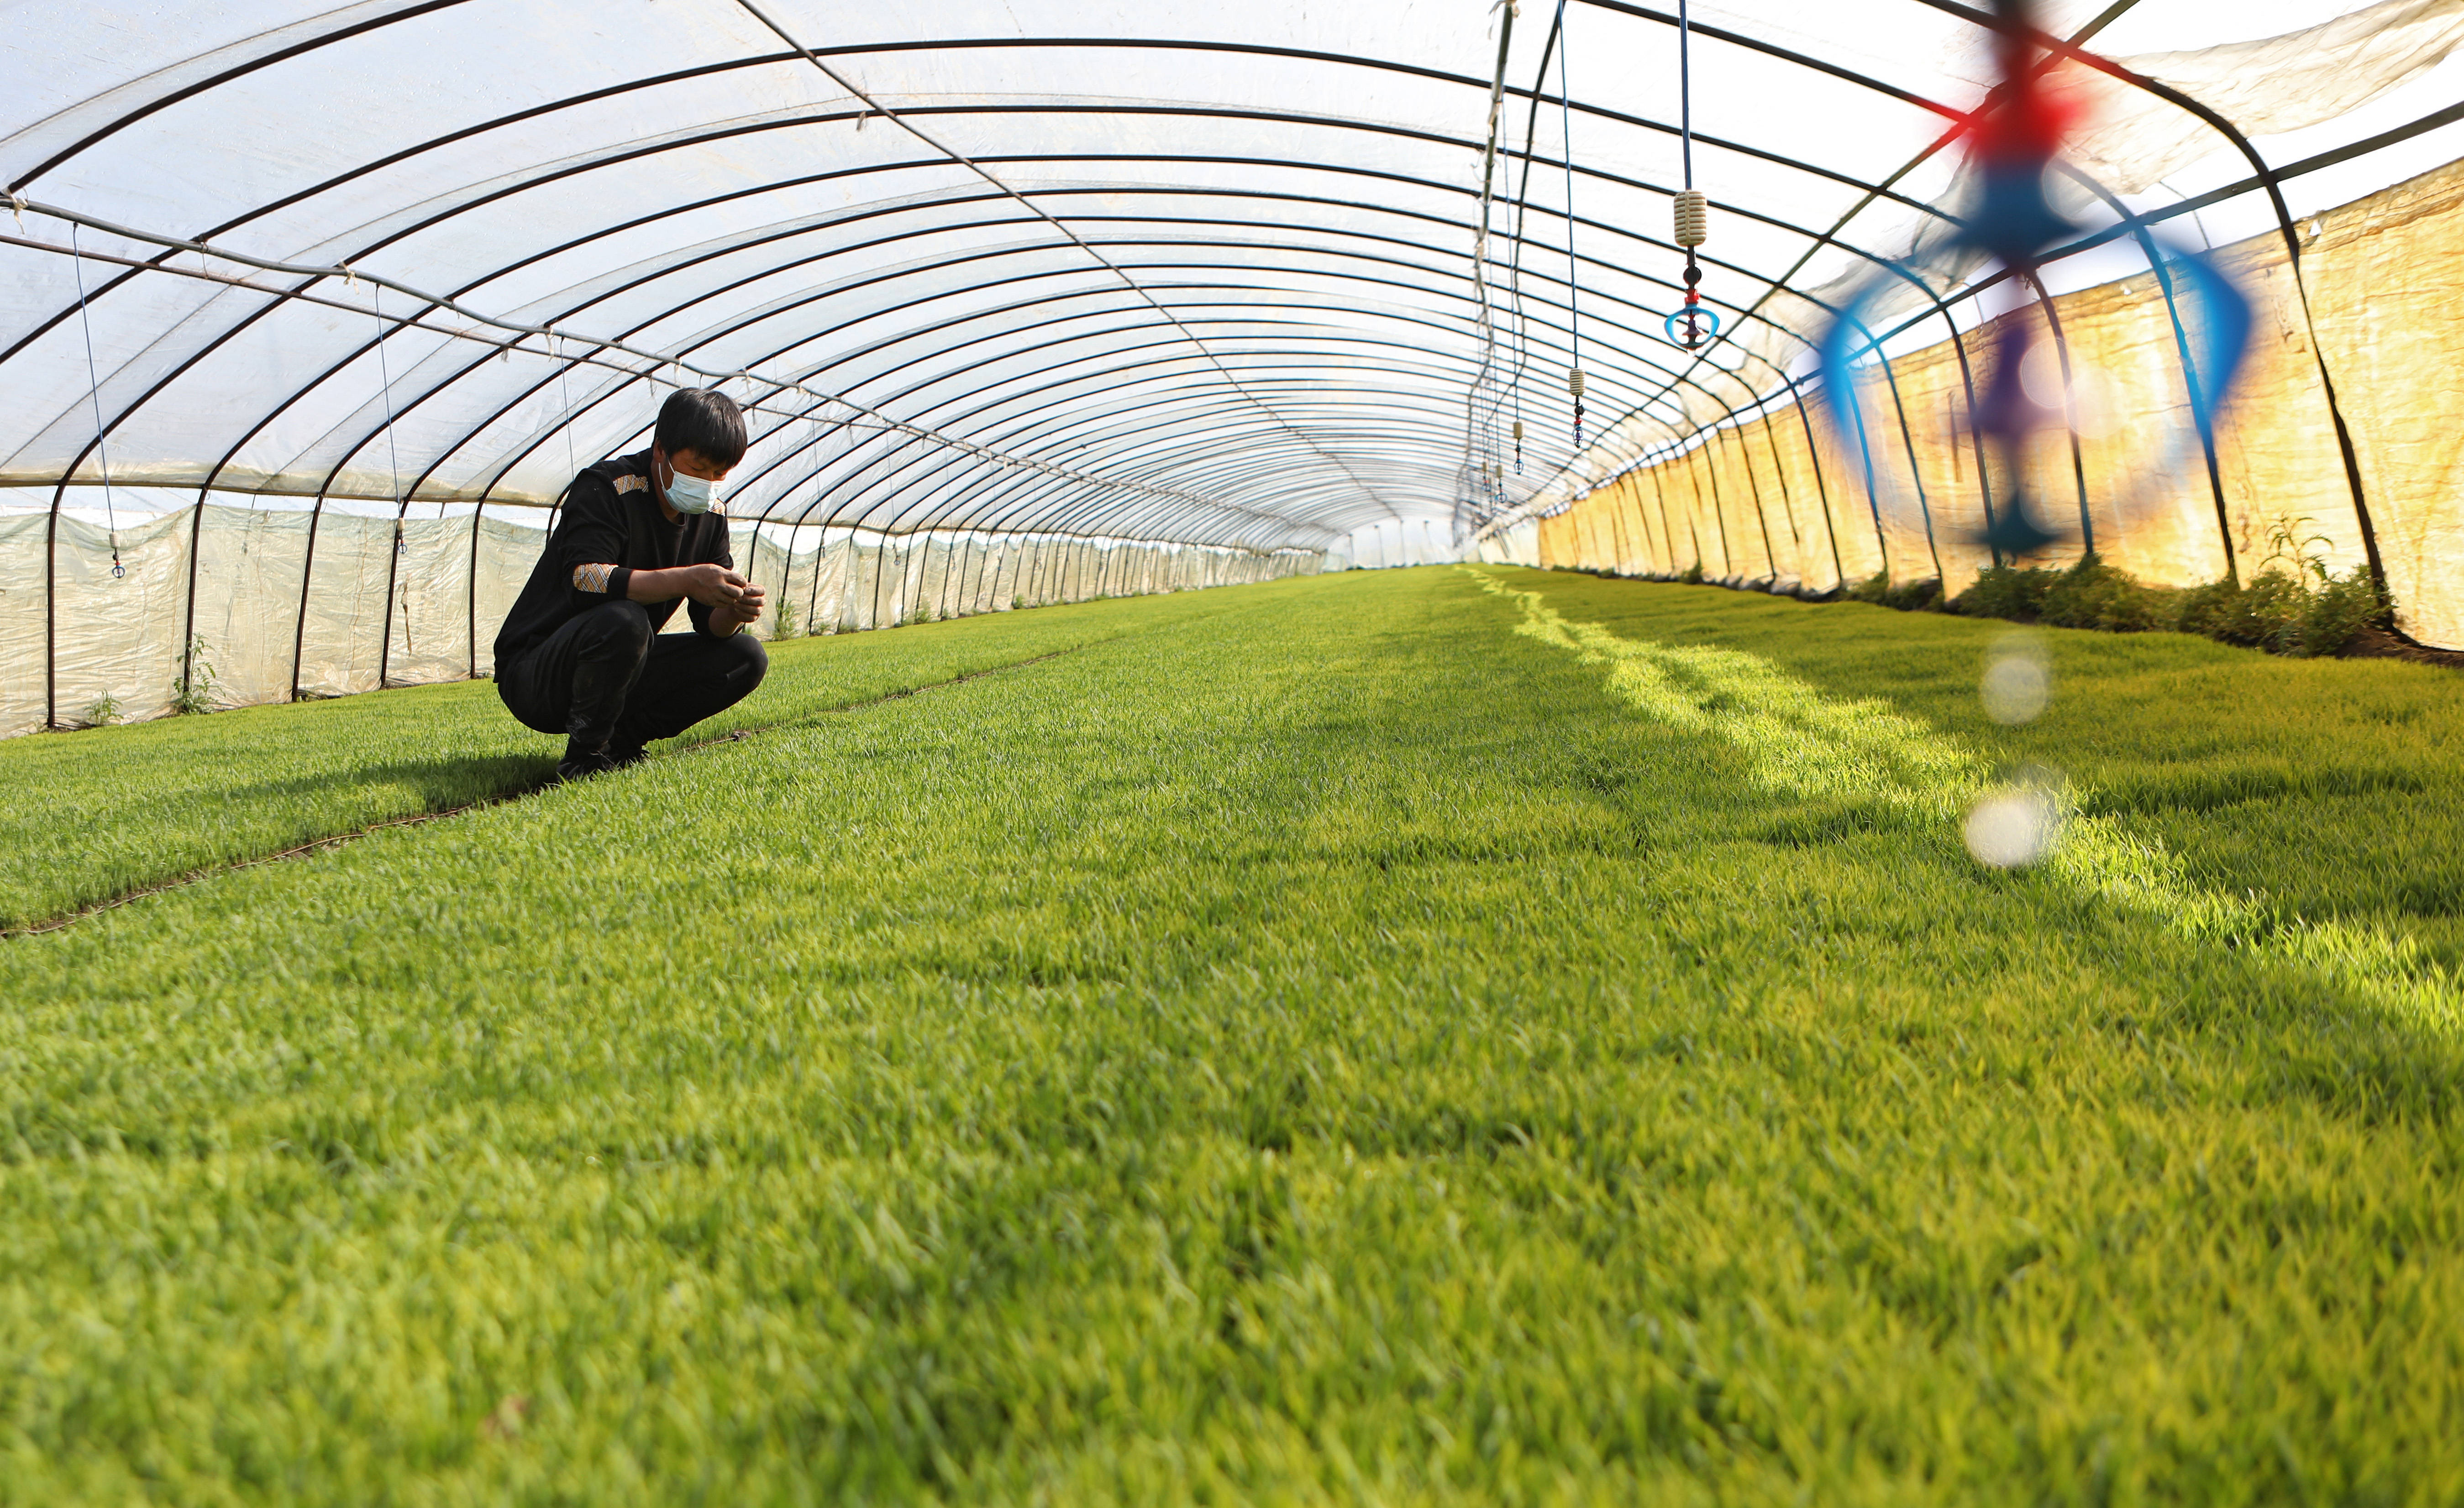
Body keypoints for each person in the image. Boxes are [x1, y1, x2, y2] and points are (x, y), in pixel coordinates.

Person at [494, 387, 770, 780]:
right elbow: (585, 579)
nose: (708, 483)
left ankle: (621, 742)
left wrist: (732, 610)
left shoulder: (711, 516)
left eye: (719, 474)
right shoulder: (606, 488)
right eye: (697, 468)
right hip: (538, 674)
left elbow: (708, 625)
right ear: (660, 450)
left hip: (621, 666)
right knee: (626, 619)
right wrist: (687, 579)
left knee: (746, 656)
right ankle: (584, 758)